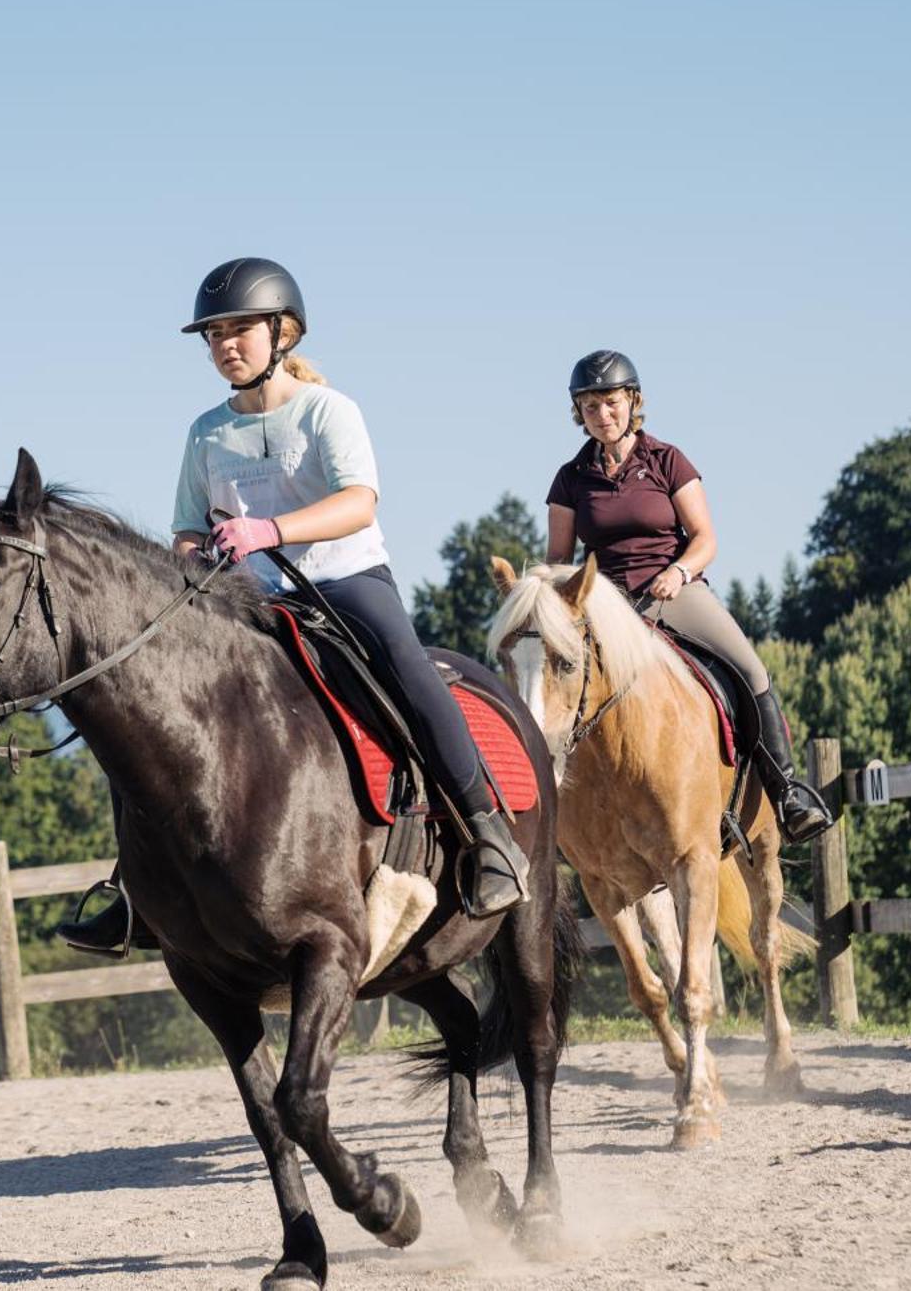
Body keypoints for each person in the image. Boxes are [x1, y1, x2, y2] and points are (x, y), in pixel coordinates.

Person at [58, 258, 529, 955]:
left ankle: (488, 835)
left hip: (343, 580)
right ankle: (135, 887)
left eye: (238, 329)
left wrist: (269, 530)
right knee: (152, 709)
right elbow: (187, 526)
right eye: (213, 335)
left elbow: (358, 502)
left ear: (282, 332)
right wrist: (190, 559)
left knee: (409, 668)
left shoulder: (329, 411)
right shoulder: (204, 432)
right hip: (245, 600)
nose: (224, 345)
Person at [548, 349, 833, 843]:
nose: (602, 415)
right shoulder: (570, 479)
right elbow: (559, 559)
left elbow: (705, 539)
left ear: (632, 401)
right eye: (590, 407)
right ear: (579, 413)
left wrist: (678, 572)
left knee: (750, 670)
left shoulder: (667, 460)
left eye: (611, 403)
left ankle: (785, 791)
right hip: (609, 607)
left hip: (673, 590)